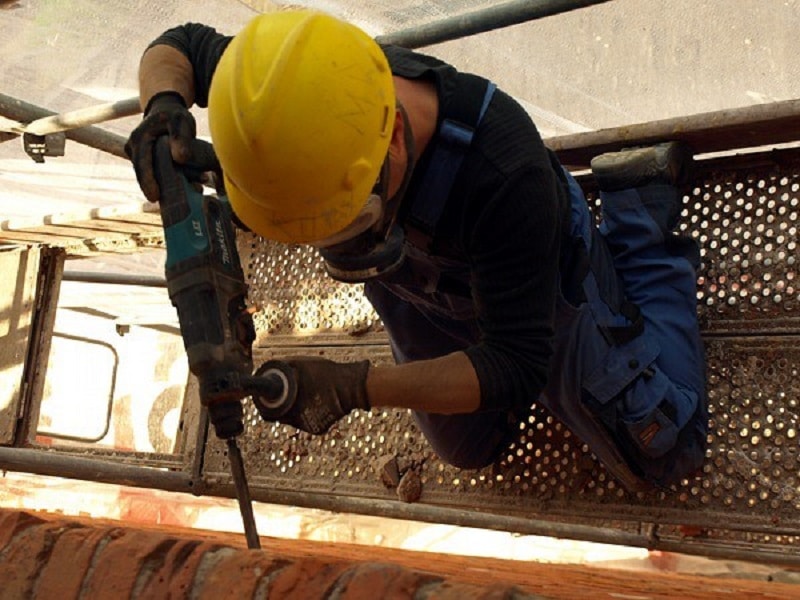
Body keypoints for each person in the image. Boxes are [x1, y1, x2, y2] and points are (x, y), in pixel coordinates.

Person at [125, 10, 708, 490]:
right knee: (468, 446)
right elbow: (179, 44)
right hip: (420, 279)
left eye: (352, 219)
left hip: (536, 268)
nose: (342, 243)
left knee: (663, 448)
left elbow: (516, 365)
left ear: (396, 137)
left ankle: (639, 209)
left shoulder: (506, 177)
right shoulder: (297, 88)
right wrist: (162, 110)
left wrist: (357, 386)